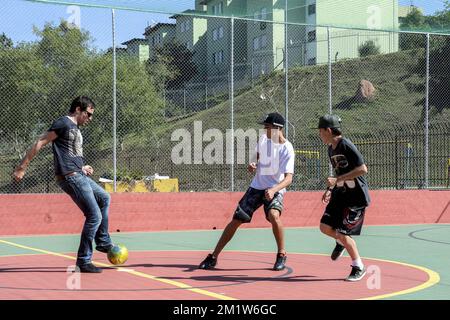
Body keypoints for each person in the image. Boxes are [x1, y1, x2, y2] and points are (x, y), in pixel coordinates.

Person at [13, 96, 114, 273]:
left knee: (105, 197)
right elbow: (40, 142)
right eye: (88, 114)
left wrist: (82, 166)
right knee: (94, 216)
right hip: (70, 177)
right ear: (77, 109)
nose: (89, 119)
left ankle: (103, 242)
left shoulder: (74, 128)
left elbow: (68, 153)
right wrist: (22, 167)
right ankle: (83, 260)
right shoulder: (63, 123)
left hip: (78, 174)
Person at [199, 112, 295, 271]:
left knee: (274, 216)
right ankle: (213, 257)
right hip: (256, 187)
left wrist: (273, 190)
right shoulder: (264, 140)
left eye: (268, 127)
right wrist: (254, 164)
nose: (265, 130)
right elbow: (257, 157)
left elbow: (288, 179)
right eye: (264, 127)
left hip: (275, 189)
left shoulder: (287, 148)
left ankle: (281, 254)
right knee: (236, 219)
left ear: (278, 128)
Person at [316, 114, 370, 281]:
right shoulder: (330, 149)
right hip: (340, 194)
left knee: (343, 233)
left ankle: (358, 266)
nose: (319, 134)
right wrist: (330, 188)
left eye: (321, 131)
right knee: (324, 227)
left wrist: (337, 180)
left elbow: (362, 169)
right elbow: (339, 172)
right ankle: (341, 242)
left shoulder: (346, 145)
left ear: (329, 130)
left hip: (356, 198)